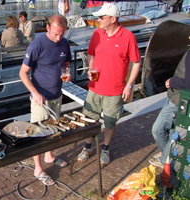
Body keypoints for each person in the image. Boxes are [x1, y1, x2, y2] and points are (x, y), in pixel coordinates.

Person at [76, 3, 141, 165]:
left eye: (101, 17)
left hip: (115, 90)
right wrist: (91, 69)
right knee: (89, 120)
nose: (98, 20)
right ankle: (88, 146)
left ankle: (105, 148)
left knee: (110, 122)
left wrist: (129, 85)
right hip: (95, 87)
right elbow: (91, 54)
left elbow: (137, 63)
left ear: (113, 19)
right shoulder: (97, 33)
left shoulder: (128, 37)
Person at [19, 14, 71, 186]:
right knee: (38, 135)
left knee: (53, 129)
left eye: (62, 34)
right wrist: (34, 92)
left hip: (57, 94)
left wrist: (67, 72)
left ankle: (49, 156)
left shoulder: (64, 43)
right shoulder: (37, 45)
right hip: (40, 97)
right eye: (56, 34)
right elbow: (23, 73)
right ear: (48, 28)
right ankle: (38, 168)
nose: (59, 38)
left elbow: (66, 63)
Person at [149, 49, 190, 168]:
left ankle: (165, 160)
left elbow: (188, 83)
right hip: (177, 98)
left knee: (159, 130)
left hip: (180, 99)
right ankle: (167, 155)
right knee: (164, 130)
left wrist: (172, 81)